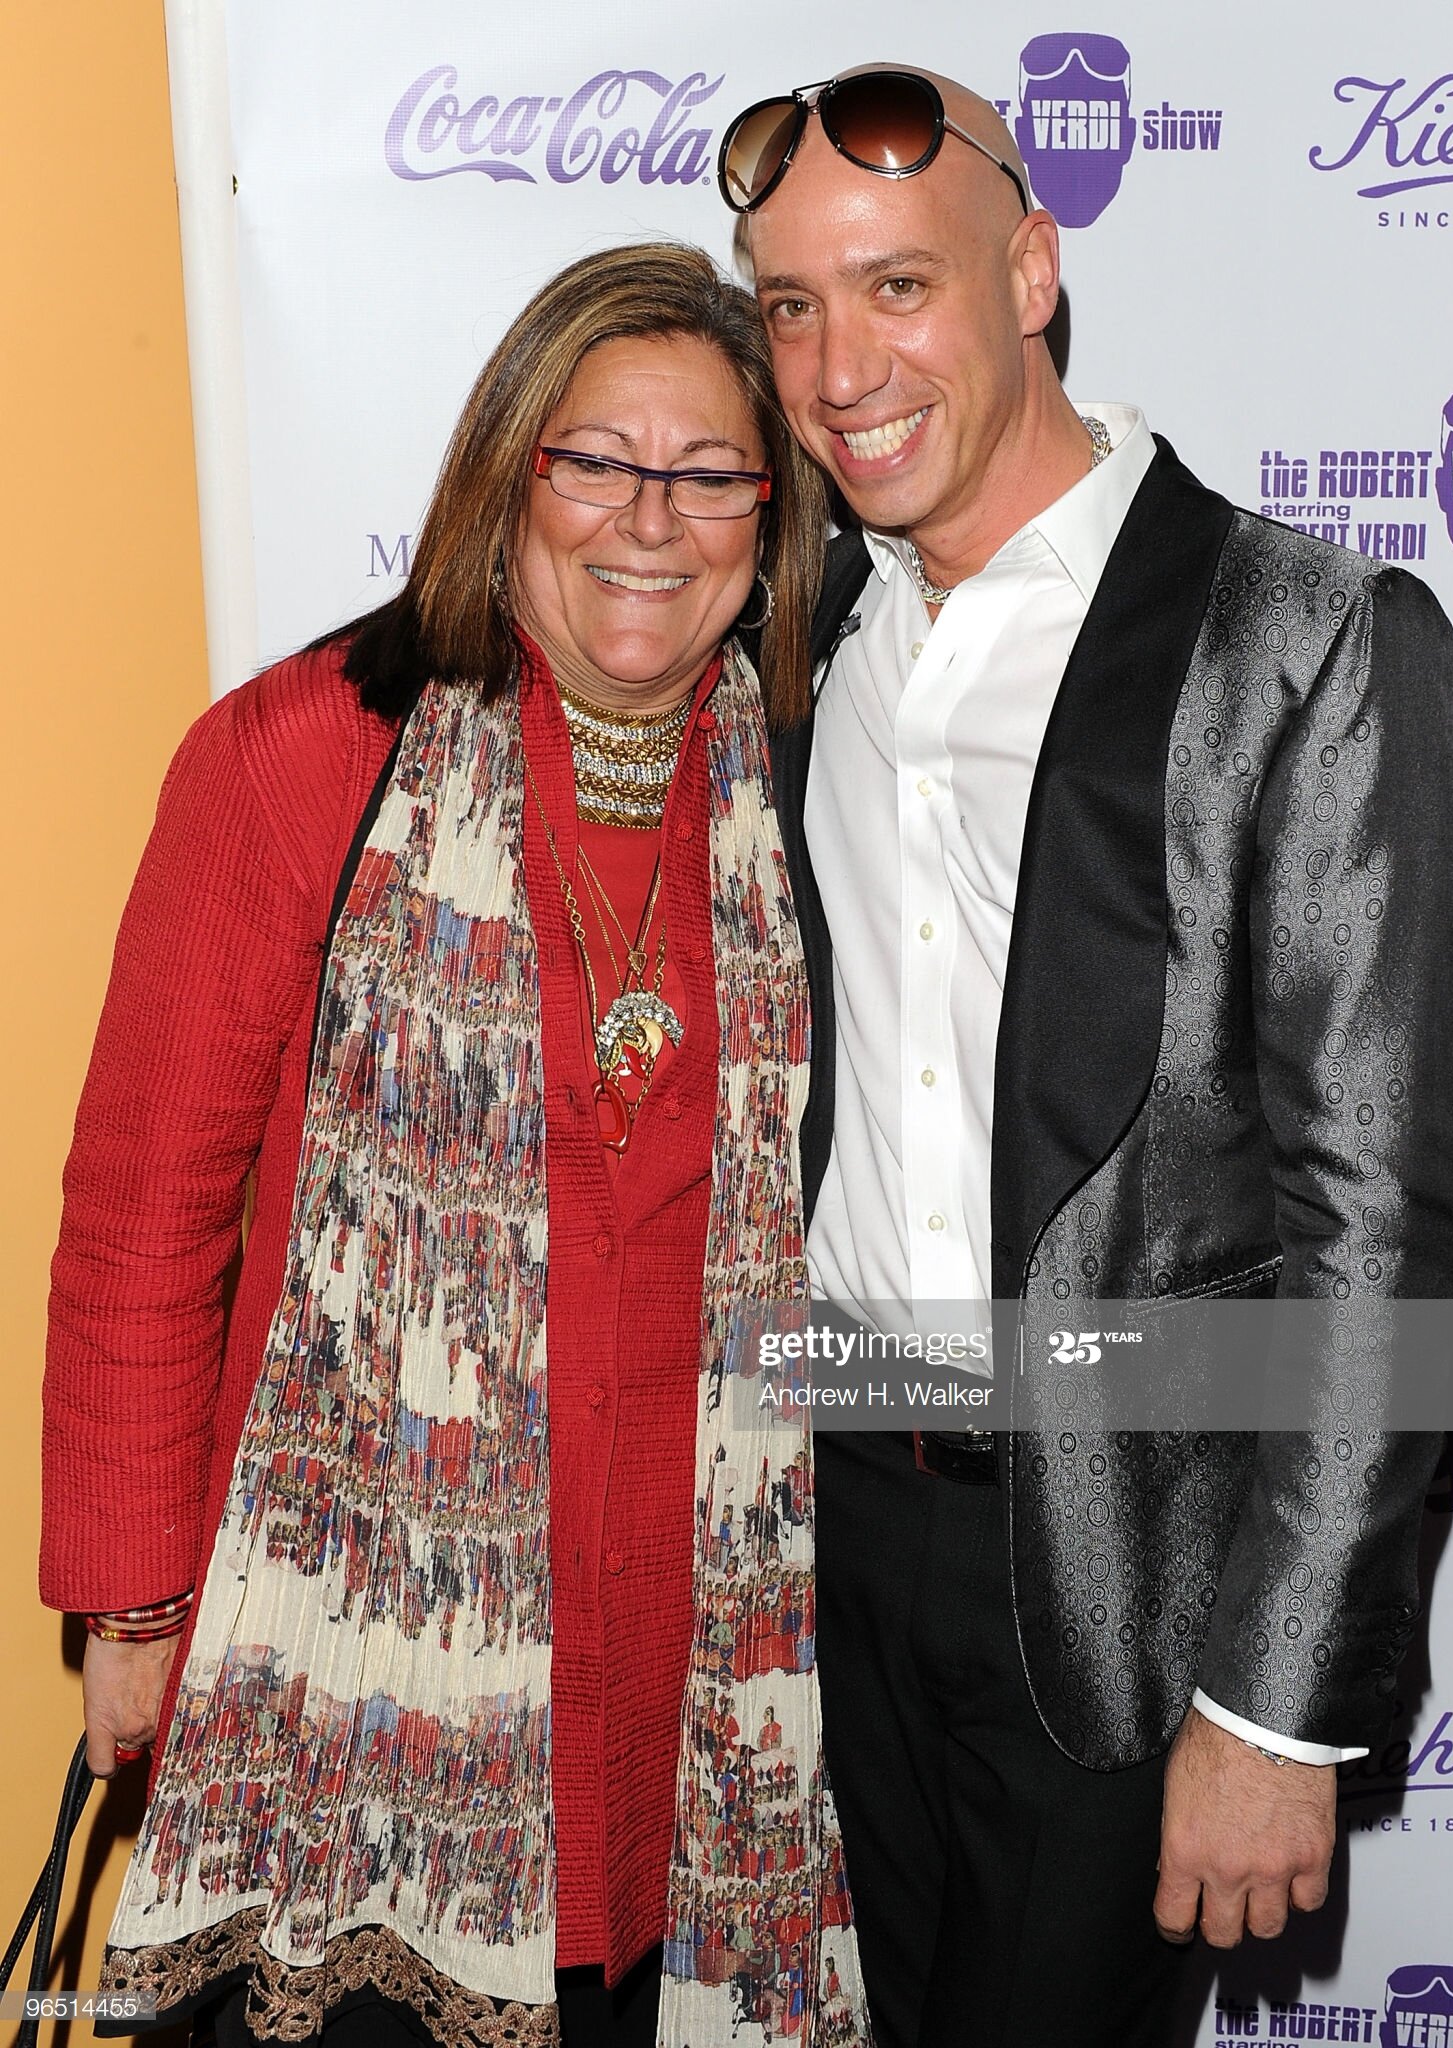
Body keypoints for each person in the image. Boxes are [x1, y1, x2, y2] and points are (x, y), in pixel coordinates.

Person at [718, 65, 1453, 2048]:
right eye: (788, 305)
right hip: (820, 1550)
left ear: (1033, 270)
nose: (835, 365)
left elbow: (1375, 1220)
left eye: (896, 287)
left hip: (1128, 1587)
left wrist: (1277, 1704)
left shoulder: (1295, 634)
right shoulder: (801, 629)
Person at [40, 242, 872, 2048]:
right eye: (595, 460)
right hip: (359, 1678)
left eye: (709, 472)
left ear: (771, 510)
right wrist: (131, 1603)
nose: (649, 521)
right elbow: (139, 1213)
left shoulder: (821, 783)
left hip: (705, 1682)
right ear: (508, 475)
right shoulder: (297, 753)